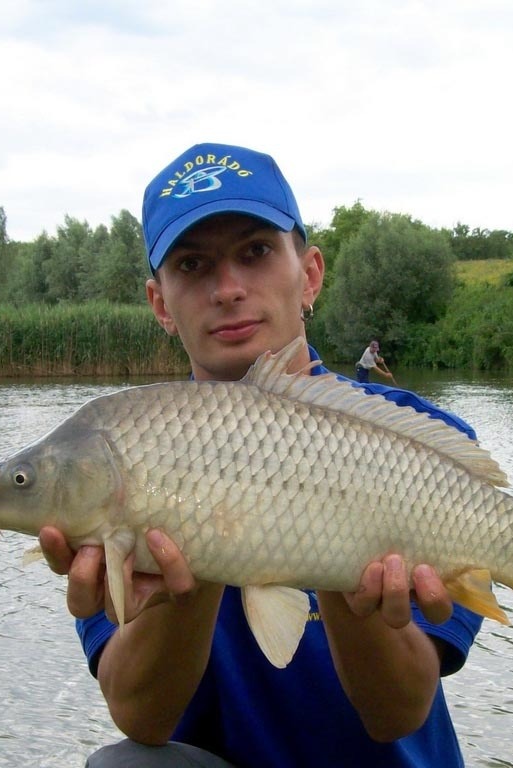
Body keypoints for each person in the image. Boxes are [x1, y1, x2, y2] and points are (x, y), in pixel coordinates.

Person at [38, 143, 483, 768]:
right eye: (192, 265)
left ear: (310, 274)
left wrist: (337, 559)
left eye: (255, 252)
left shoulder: (424, 441)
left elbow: (396, 715)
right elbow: (142, 717)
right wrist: (186, 569)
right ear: (160, 303)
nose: (227, 289)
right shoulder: (121, 451)